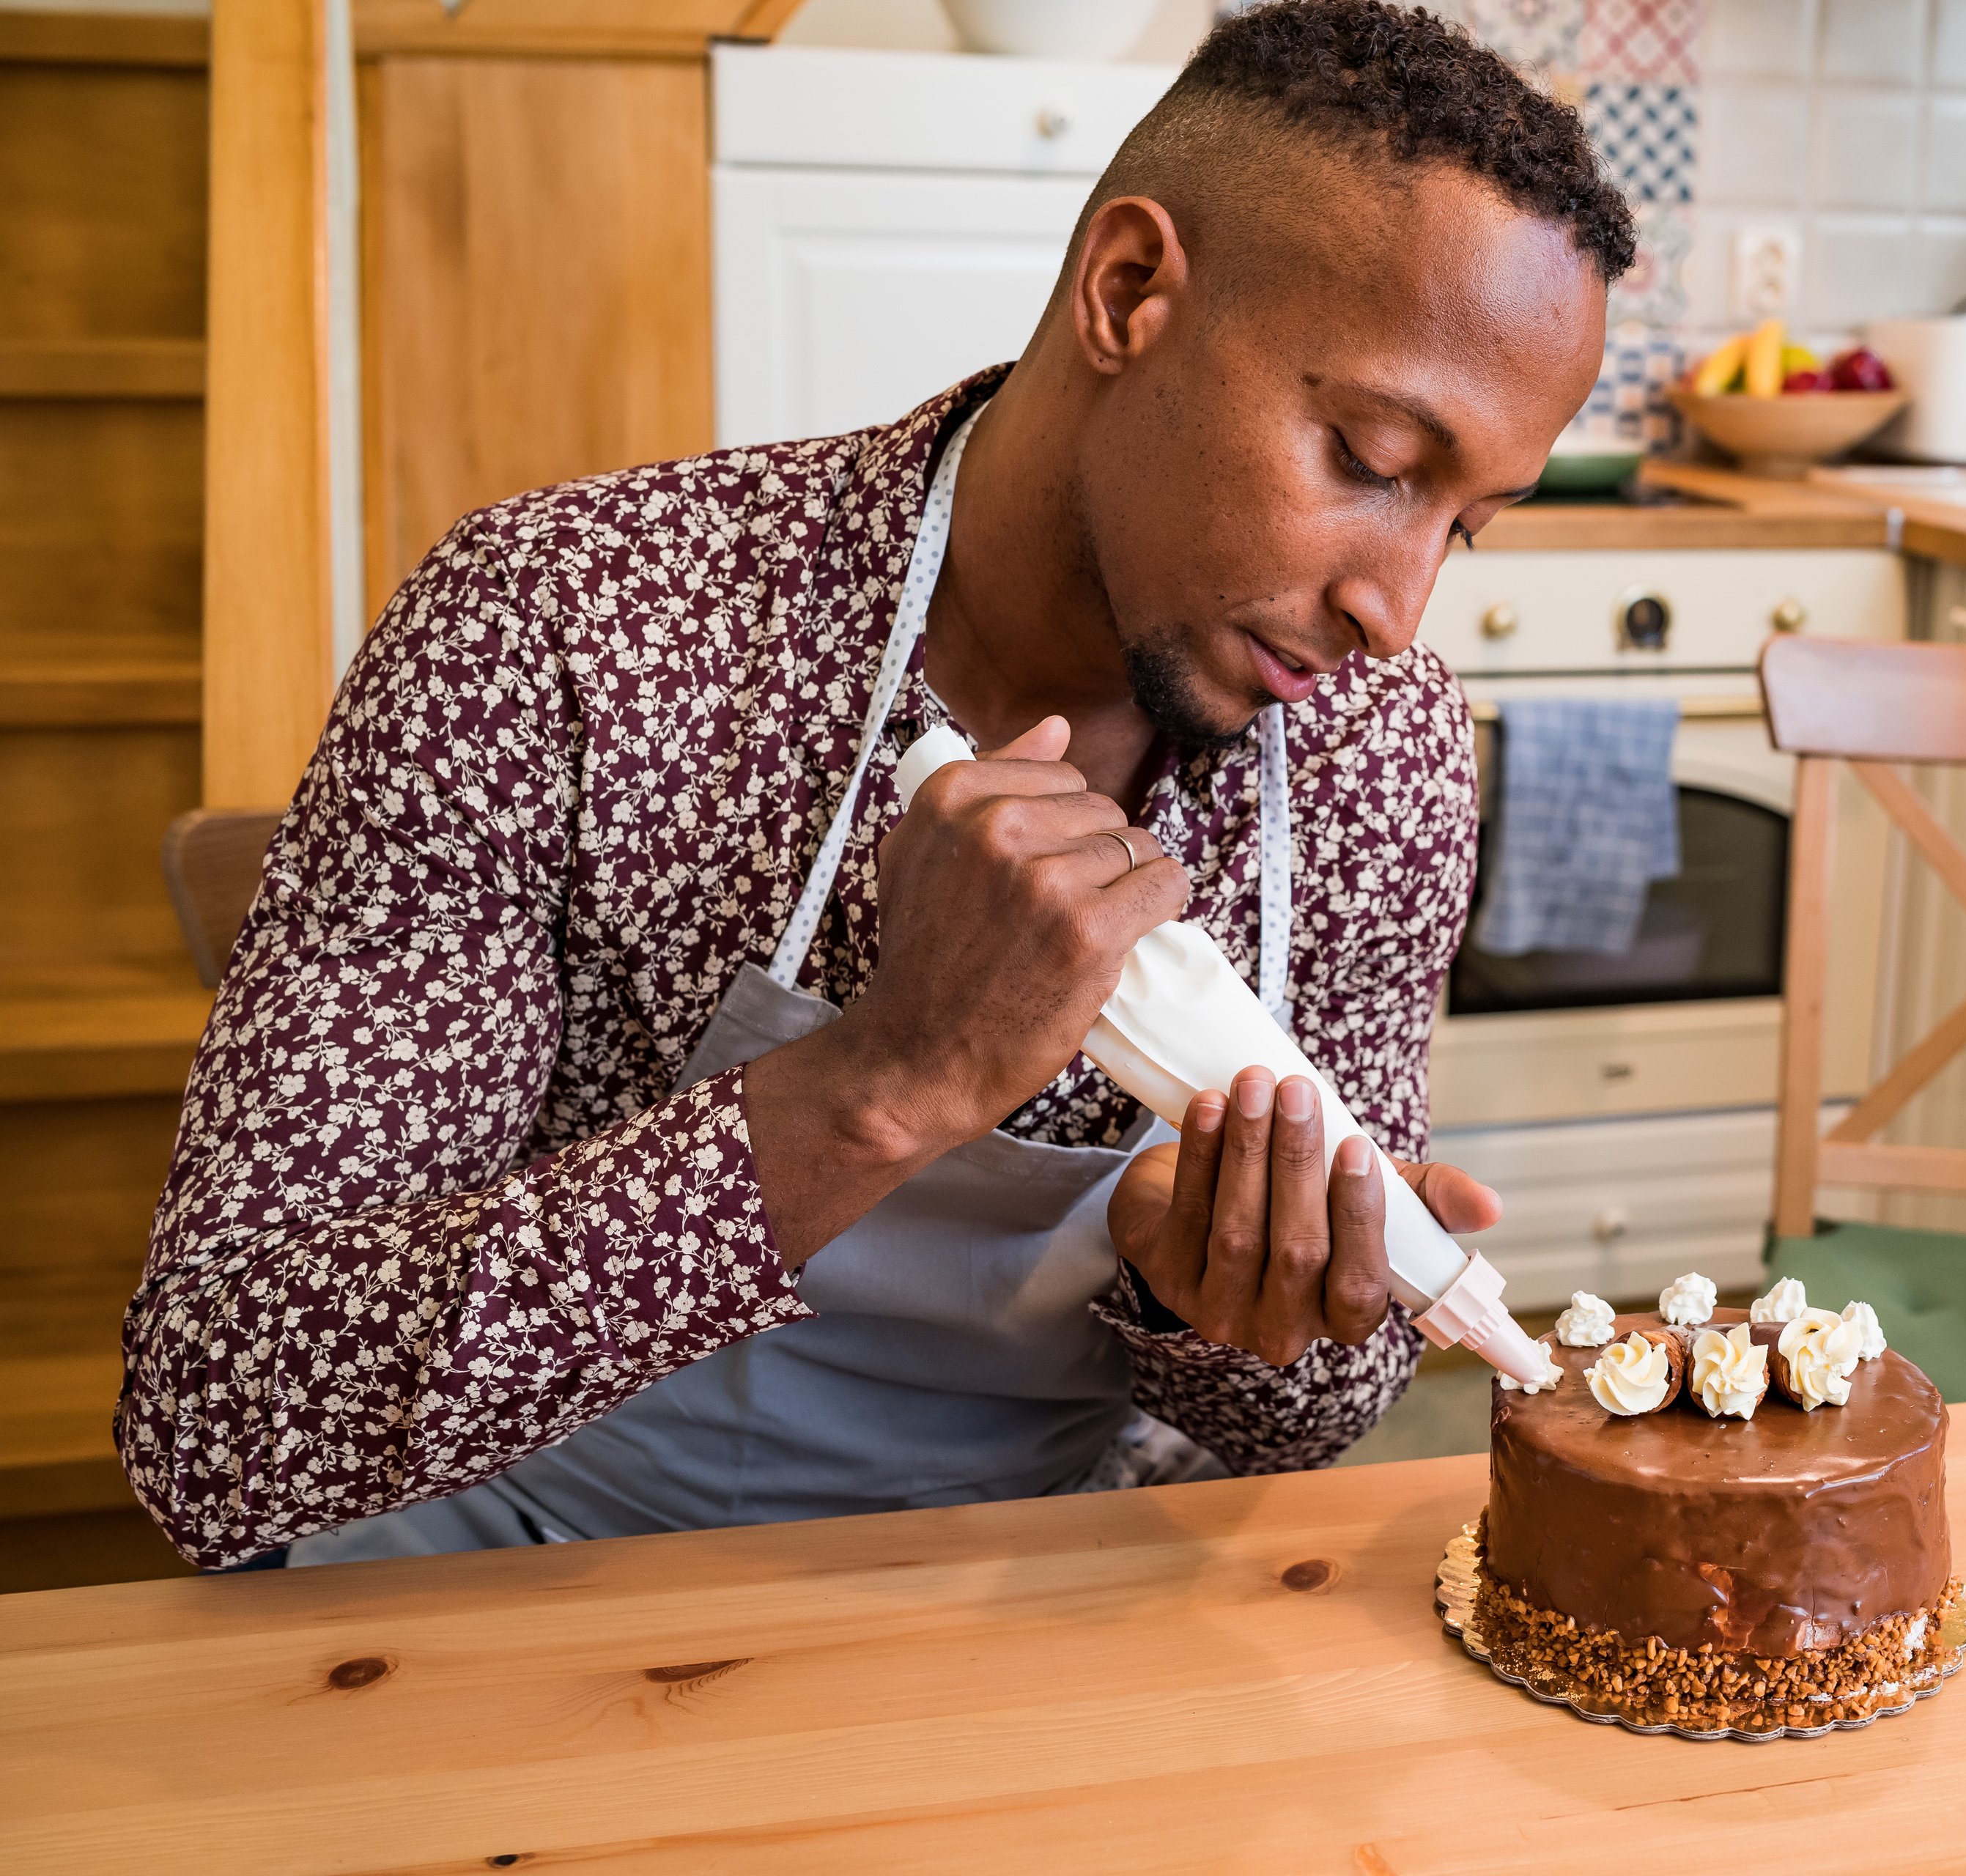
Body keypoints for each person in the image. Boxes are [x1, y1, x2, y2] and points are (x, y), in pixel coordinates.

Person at [120, 0, 1632, 1570]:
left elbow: (1328, 1402)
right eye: (1373, 458)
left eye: (1465, 523)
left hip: (1022, 1590)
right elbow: (217, 1418)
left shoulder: (1376, 755)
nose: (1397, 608)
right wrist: (884, 1082)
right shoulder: (572, 628)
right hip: (509, 1568)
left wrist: (1211, 1294)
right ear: (1131, 292)